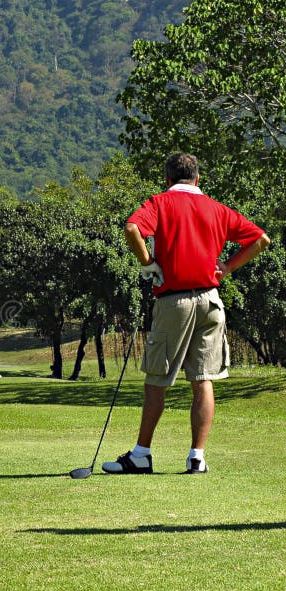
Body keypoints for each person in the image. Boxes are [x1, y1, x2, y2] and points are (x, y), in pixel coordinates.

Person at [103, 153, 270, 475]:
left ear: (167, 179)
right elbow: (260, 239)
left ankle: (141, 455)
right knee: (203, 380)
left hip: (174, 302)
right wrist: (229, 267)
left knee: (156, 380)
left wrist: (148, 262)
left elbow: (132, 228)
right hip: (211, 301)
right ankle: (197, 457)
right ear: (197, 178)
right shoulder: (217, 208)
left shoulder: (161, 202)